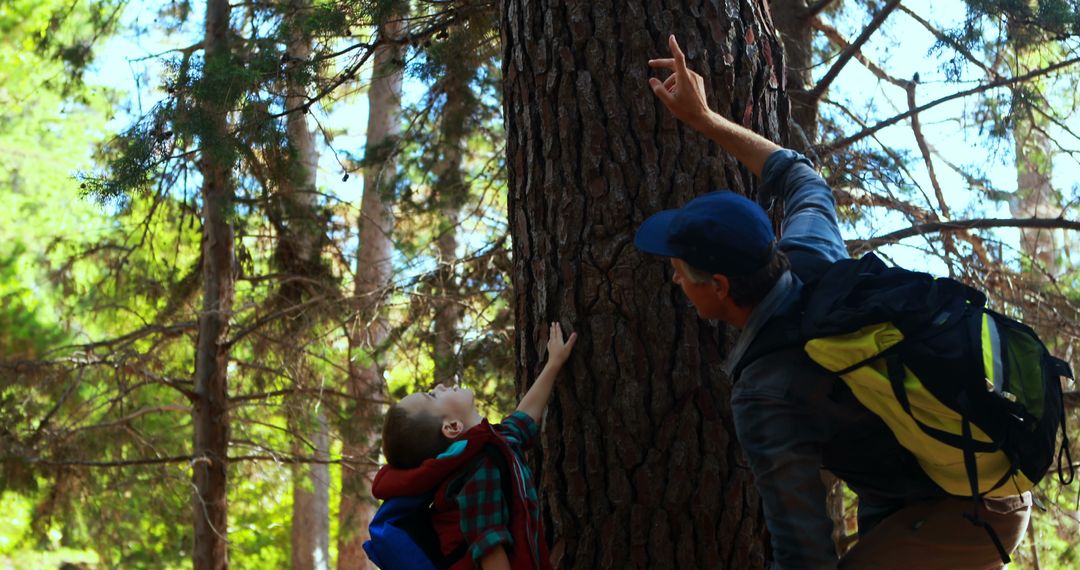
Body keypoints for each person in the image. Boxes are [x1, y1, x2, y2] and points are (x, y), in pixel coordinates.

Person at [634, 35, 1032, 569]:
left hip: (969, 509)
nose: (675, 283)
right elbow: (800, 176)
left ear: (720, 288)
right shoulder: (810, 252)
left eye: (681, 274)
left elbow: (804, 557)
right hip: (940, 484)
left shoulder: (765, 395)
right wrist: (705, 120)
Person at [372, 322, 577, 570]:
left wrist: (554, 363)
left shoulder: (486, 449)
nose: (438, 386)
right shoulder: (478, 471)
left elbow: (522, 421)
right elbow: (490, 548)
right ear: (452, 427)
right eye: (433, 396)